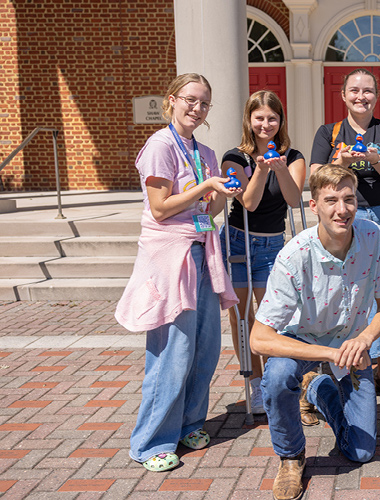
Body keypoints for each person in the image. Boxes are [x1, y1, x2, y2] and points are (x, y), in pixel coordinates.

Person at [115, 73, 240, 471]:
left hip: (202, 251)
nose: (197, 108)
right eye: (190, 99)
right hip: (171, 258)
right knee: (172, 351)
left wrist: (221, 194)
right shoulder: (160, 145)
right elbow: (160, 208)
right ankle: (150, 442)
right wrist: (205, 187)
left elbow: (207, 211)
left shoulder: (205, 151)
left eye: (204, 103)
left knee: (204, 347)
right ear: (172, 99)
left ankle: (190, 423)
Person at [249, 164, 380, 500]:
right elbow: (259, 339)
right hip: (302, 339)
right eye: (331, 201)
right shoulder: (294, 255)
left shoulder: (372, 237)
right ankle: (291, 457)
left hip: (351, 342)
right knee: (277, 376)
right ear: (314, 206)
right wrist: (330, 354)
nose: (342, 210)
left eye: (348, 199)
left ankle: (316, 387)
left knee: (360, 452)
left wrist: (364, 339)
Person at [310, 68, 380, 404]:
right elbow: (315, 179)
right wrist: (340, 161)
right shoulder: (328, 133)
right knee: (344, 290)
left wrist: (375, 159)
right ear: (343, 95)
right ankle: (344, 360)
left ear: (376, 96)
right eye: (354, 90)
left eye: (368, 91)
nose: (361, 96)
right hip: (343, 218)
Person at [219, 90, 306, 417]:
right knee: (241, 316)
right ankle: (255, 383)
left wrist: (280, 168)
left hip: (272, 246)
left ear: (281, 121)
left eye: (272, 118)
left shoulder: (294, 157)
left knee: (272, 317)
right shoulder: (235, 158)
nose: (265, 124)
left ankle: (275, 381)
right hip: (238, 243)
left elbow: (294, 200)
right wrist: (260, 168)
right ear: (249, 120)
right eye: (259, 118)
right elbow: (250, 203)